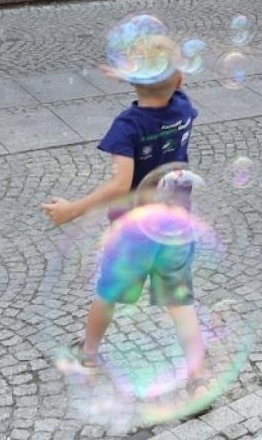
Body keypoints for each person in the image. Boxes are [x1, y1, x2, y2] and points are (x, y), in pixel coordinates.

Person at [41, 36, 203, 384]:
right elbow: (171, 84)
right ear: (179, 81)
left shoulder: (127, 126)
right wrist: (147, 75)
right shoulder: (184, 108)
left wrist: (72, 210)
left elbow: (120, 185)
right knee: (180, 303)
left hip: (133, 232)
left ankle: (89, 355)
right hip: (175, 225)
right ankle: (197, 375)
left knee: (108, 294)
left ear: (135, 80)